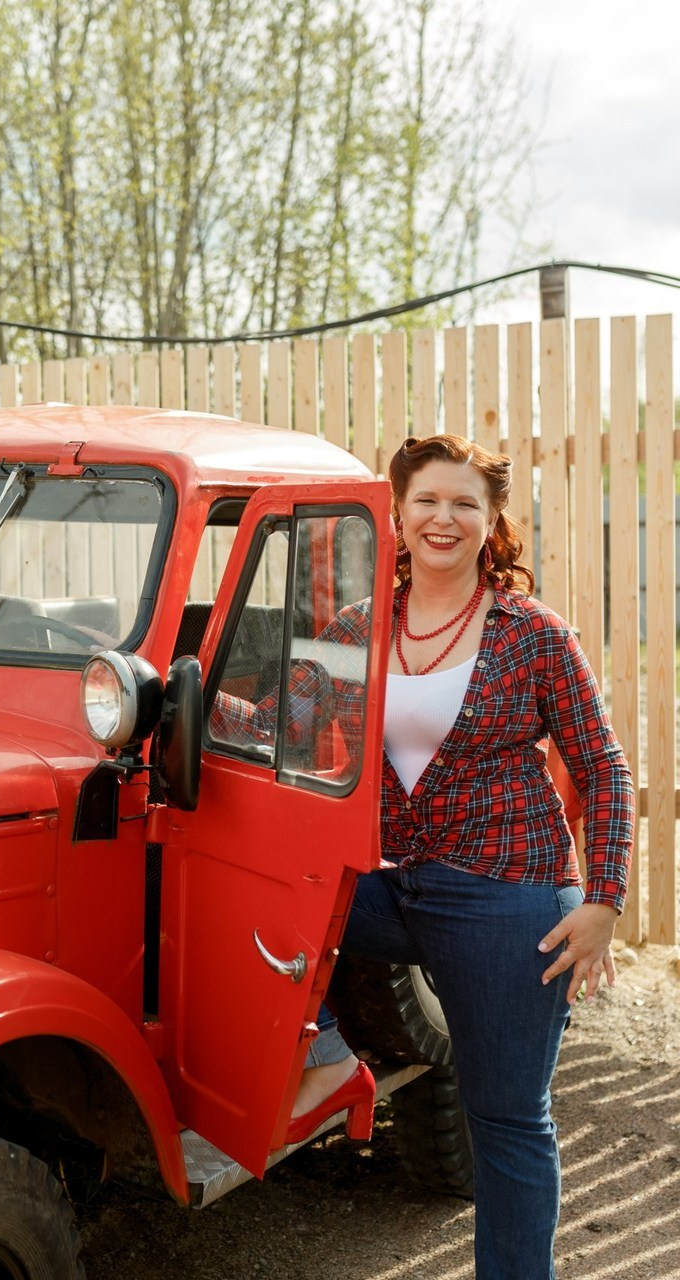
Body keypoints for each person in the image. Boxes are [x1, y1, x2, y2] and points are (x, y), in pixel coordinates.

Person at [217, 434, 634, 1280]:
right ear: (398, 516)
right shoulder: (361, 624)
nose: (444, 519)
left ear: (491, 522)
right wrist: (168, 689)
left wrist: (603, 901)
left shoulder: (534, 635)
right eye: (427, 501)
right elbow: (280, 729)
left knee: (506, 1119)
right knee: (243, 898)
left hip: (506, 896)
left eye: (464, 504)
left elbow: (604, 768)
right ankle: (330, 1058)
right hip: (389, 883)